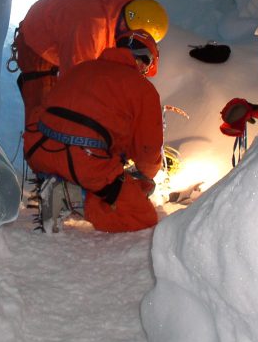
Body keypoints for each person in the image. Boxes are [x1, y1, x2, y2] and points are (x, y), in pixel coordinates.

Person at [23, 30, 163, 233]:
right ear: (144, 61)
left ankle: (58, 183)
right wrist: (145, 177)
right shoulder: (143, 89)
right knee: (143, 217)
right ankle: (72, 197)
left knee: (97, 169)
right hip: (82, 160)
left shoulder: (82, 67)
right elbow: (147, 150)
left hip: (39, 148)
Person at [10, 0, 168, 129]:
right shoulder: (91, 30)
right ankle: (42, 151)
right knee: (46, 114)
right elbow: (75, 83)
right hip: (38, 43)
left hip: (65, 34)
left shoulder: (131, 13)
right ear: (126, 27)